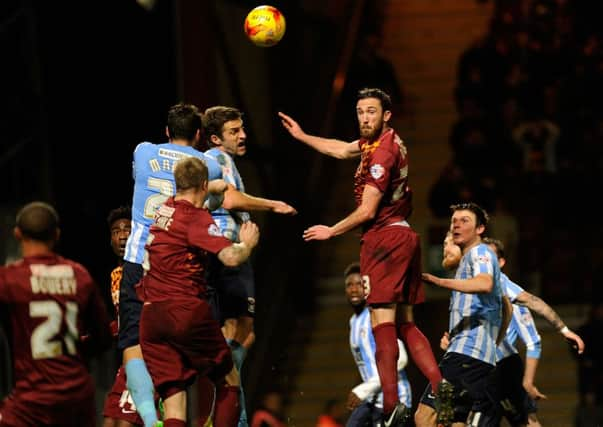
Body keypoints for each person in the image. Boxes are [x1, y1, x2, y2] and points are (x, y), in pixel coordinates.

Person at [279, 87, 447, 426]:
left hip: (384, 239)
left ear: (386, 115)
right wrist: (302, 136)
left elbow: (368, 209)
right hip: (403, 234)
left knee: (381, 323)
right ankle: (441, 387)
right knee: (404, 323)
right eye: (360, 112)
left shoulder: (382, 154)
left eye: (371, 111)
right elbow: (342, 150)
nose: (364, 118)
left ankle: (390, 406)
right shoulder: (378, 142)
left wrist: (331, 230)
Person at [119, 102, 261, 427]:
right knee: (228, 379)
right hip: (184, 307)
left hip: (148, 305)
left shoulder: (159, 200)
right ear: (199, 135)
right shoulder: (198, 206)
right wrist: (247, 243)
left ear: (167, 131)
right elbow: (227, 253)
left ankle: (146, 417)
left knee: (171, 394)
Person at [203, 105, 297, 427]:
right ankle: (232, 418)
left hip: (225, 253)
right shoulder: (218, 158)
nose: (243, 136)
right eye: (234, 132)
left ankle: (227, 411)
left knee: (241, 337)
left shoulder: (215, 160)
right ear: (216, 138)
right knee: (235, 336)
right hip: (230, 253)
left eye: (242, 129)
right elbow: (230, 199)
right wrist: (273, 204)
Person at [0, 201, 112, 426]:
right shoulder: (79, 275)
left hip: (30, 402)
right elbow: (102, 338)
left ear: (17, 234)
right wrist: (73, 351)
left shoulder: (10, 279)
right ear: (57, 234)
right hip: (76, 398)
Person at [416, 202, 505, 427]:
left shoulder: (480, 252)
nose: (456, 225)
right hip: (475, 357)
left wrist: (439, 281)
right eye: (454, 221)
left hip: (465, 356)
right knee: (456, 422)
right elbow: (507, 305)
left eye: (464, 221)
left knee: (424, 417)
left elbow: (485, 283)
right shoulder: (467, 261)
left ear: (480, 229)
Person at [344, 262, 412, 427]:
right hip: (373, 399)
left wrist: (366, 388)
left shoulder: (376, 316)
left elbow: (400, 358)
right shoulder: (353, 322)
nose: (354, 289)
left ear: (367, 286)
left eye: (359, 284)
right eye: (349, 285)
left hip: (395, 397)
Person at [102, 205, 150, 427]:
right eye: (115, 231)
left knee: (125, 424)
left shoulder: (145, 270)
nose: (121, 236)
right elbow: (123, 319)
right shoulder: (115, 275)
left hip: (146, 358)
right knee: (109, 421)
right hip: (126, 362)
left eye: (127, 229)